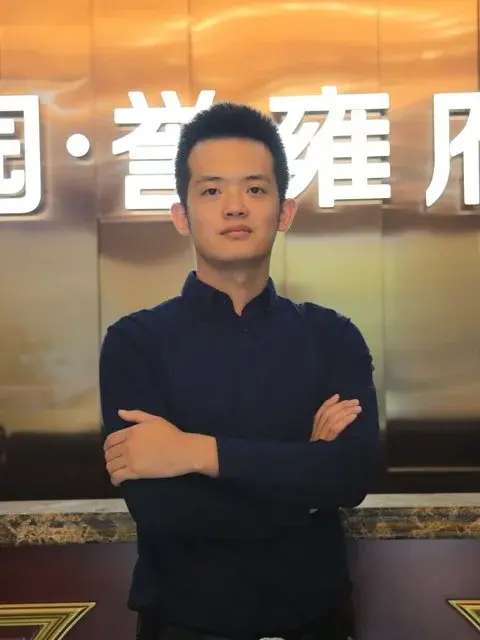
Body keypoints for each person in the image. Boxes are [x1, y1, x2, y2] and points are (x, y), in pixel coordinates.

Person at [99, 102, 380, 640]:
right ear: (182, 216)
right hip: (185, 625)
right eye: (211, 191)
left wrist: (194, 453)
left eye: (255, 189)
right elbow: (163, 508)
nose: (235, 207)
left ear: (284, 211)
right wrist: (306, 484)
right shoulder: (135, 342)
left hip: (315, 621)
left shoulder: (332, 335)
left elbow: (351, 475)